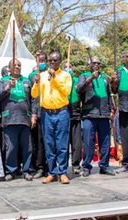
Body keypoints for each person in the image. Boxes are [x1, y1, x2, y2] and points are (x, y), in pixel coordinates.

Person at [31, 51, 72, 184]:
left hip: (62, 112)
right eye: (51, 61)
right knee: (49, 143)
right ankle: (52, 172)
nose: (53, 63)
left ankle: (63, 172)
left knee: (62, 144)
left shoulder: (65, 75)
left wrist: (54, 78)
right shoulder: (42, 75)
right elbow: (34, 94)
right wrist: (36, 83)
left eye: (55, 60)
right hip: (46, 113)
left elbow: (66, 91)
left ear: (60, 61)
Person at [76, 56, 115, 177]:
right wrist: (91, 77)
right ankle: (86, 166)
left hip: (103, 114)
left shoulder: (104, 78)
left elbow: (109, 95)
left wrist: (111, 109)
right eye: (94, 63)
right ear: (89, 64)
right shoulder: (83, 75)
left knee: (105, 142)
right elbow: (79, 89)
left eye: (98, 63)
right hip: (89, 114)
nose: (97, 65)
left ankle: (104, 166)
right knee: (88, 142)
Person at [0, 59, 33, 181]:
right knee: (11, 147)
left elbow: (33, 99)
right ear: (9, 68)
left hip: (25, 118)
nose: (17, 67)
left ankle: (26, 170)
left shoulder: (27, 81)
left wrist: (34, 115)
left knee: (27, 147)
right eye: (15, 65)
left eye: (19, 65)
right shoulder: (3, 81)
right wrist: (8, 87)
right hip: (9, 118)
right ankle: (11, 171)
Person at [111, 49, 128, 173]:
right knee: (125, 137)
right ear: (124, 58)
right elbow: (114, 90)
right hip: (124, 108)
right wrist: (113, 81)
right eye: (127, 56)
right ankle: (126, 163)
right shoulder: (119, 72)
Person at [28, 51, 47, 179]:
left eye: (44, 59)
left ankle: (50, 167)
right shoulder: (32, 76)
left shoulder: (50, 74)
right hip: (38, 113)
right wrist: (33, 113)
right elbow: (32, 98)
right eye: (40, 59)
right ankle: (39, 167)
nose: (42, 62)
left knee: (49, 142)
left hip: (50, 112)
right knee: (38, 142)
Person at [64, 63, 82, 174]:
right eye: (66, 67)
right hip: (64, 113)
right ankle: (63, 166)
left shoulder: (77, 80)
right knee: (64, 143)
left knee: (76, 143)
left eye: (69, 67)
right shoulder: (62, 80)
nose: (68, 69)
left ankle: (76, 165)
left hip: (76, 115)